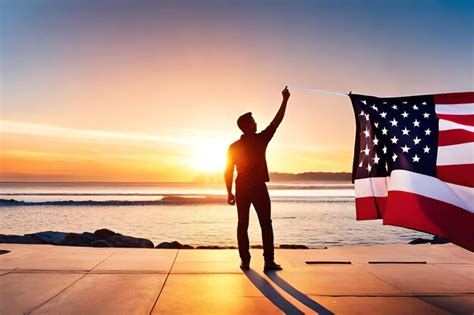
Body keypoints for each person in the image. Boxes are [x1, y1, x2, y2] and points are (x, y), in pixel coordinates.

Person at [225, 86, 291, 271]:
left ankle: (245, 261)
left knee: (242, 225)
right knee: (265, 224)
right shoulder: (261, 140)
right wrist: (285, 100)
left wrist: (229, 192)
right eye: (253, 122)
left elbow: (228, 170)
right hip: (258, 188)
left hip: (241, 188)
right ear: (248, 126)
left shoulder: (233, 147)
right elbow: (276, 121)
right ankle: (268, 261)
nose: (256, 123)